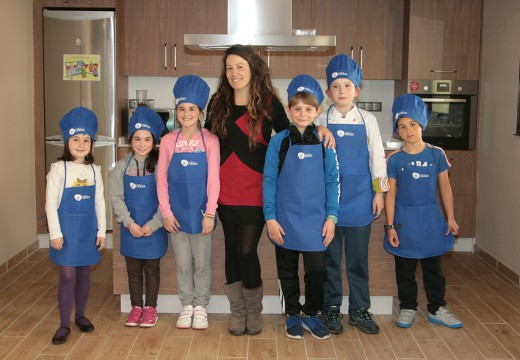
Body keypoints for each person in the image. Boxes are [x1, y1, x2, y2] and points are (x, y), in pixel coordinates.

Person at [205, 44, 334, 336]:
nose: (234, 73)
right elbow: (206, 139)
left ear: (252, 69)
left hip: (256, 189)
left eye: (240, 66)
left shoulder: (268, 101)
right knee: (231, 252)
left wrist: (322, 128)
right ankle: (238, 313)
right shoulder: (218, 101)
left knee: (247, 249)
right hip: (224, 190)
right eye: (229, 67)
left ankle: (254, 309)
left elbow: (294, 129)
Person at [314, 54, 388, 335]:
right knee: (330, 259)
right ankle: (331, 308)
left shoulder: (368, 120)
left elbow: (377, 157)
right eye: (336, 86)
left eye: (347, 85)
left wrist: (379, 193)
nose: (341, 91)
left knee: (357, 260)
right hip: (329, 203)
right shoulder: (320, 119)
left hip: (360, 200)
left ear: (357, 89)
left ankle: (359, 309)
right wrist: (316, 128)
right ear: (328, 91)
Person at [263, 75, 339, 340]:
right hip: (284, 217)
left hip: (317, 219)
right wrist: (270, 218)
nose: (303, 113)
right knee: (287, 270)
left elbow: (332, 180)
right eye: (297, 108)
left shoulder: (324, 142)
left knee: (317, 271)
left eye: (309, 109)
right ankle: (293, 313)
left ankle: (310, 313)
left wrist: (332, 217)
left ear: (317, 111)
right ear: (288, 110)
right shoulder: (279, 142)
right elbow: (269, 180)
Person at [384, 94, 462, 329]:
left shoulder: (436, 153)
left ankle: (437, 308)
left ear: (422, 124)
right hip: (404, 220)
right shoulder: (394, 159)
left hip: (430, 220)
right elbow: (390, 194)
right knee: (405, 269)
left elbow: (445, 187)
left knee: (433, 269)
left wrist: (450, 218)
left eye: (413, 125)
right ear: (397, 130)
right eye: (402, 126)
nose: (408, 131)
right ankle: (407, 307)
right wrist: (389, 226)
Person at [157, 75, 220, 330]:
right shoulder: (168, 141)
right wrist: (166, 212)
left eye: (191, 109)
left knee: (202, 263)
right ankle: (187, 305)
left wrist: (210, 213)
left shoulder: (211, 141)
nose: (186, 114)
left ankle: (201, 305)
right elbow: (161, 179)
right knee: (183, 263)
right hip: (176, 214)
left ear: (200, 112)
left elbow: (214, 179)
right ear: (176, 111)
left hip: (202, 212)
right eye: (181, 109)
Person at [45, 106, 106, 345]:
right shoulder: (59, 170)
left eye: (86, 140)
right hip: (66, 231)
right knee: (68, 274)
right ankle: (63, 323)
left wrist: (102, 231)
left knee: (83, 272)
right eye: (76, 139)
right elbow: (50, 205)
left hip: (88, 229)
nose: (81, 144)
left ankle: (80, 315)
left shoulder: (94, 170)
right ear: (66, 141)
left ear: (92, 143)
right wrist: (55, 233)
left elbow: (99, 202)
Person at [111, 106, 168, 328]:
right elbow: (117, 199)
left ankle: (151, 308)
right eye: (137, 139)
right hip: (131, 228)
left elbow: (166, 198)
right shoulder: (120, 168)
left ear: (153, 141)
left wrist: (154, 224)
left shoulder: (159, 166)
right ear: (130, 140)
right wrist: (130, 223)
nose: (142, 144)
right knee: (133, 271)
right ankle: (136, 307)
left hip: (154, 228)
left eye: (147, 139)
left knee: (152, 270)